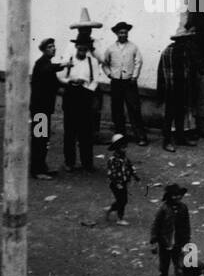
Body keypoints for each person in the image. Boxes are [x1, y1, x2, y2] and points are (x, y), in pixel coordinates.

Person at [58, 34, 104, 171]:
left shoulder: (93, 62)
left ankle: (87, 163)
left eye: (85, 50)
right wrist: (70, 81)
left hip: (85, 96)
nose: (82, 52)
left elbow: (95, 80)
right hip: (71, 95)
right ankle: (69, 162)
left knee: (86, 132)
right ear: (76, 47)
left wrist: (87, 87)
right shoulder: (69, 60)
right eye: (80, 49)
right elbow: (60, 77)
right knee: (70, 132)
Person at [100, 21, 146, 145]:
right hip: (116, 83)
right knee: (117, 110)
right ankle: (120, 136)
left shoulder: (133, 47)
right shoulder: (111, 49)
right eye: (120, 33)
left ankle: (140, 136)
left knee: (134, 109)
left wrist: (134, 76)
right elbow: (104, 64)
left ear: (128, 33)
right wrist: (109, 74)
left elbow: (138, 62)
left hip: (129, 82)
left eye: (125, 32)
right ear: (116, 34)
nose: (123, 35)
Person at [150, 182, 192, 276]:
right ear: (169, 196)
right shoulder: (163, 209)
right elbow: (155, 225)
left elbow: (186, 226)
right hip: (165, 243)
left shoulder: (183, 208)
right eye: (174, 195)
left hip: (178, 243)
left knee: (179, 267)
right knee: (163, 267)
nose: (177, 197)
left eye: (179, 195)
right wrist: (153, 242)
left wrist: (187, 243)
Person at [30, 37, 64, 178]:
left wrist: (71, 86)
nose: (54, 48)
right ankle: (37, 171)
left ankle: (41, 167)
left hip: (44, 109)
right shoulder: (41, 63)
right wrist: (63, 65)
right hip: (39, 110)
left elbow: (56, 83)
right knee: (40, 138)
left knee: (43, 138)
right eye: (50, 47)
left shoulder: (47, 63)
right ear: (44, 50)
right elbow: (47, 70)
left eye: (54, 46)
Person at [104, 133, 139, 226]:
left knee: (122, 200)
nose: (125, 149)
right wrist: (117, 183)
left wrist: (134, 175)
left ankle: (111, 208)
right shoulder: (113, 160)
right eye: (123, 147)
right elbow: (112, 174)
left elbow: (130, 166)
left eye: (125, 147)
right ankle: (120, 218)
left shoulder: (124, 158)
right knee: (122, 201)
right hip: (116, 184)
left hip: (123, 182)